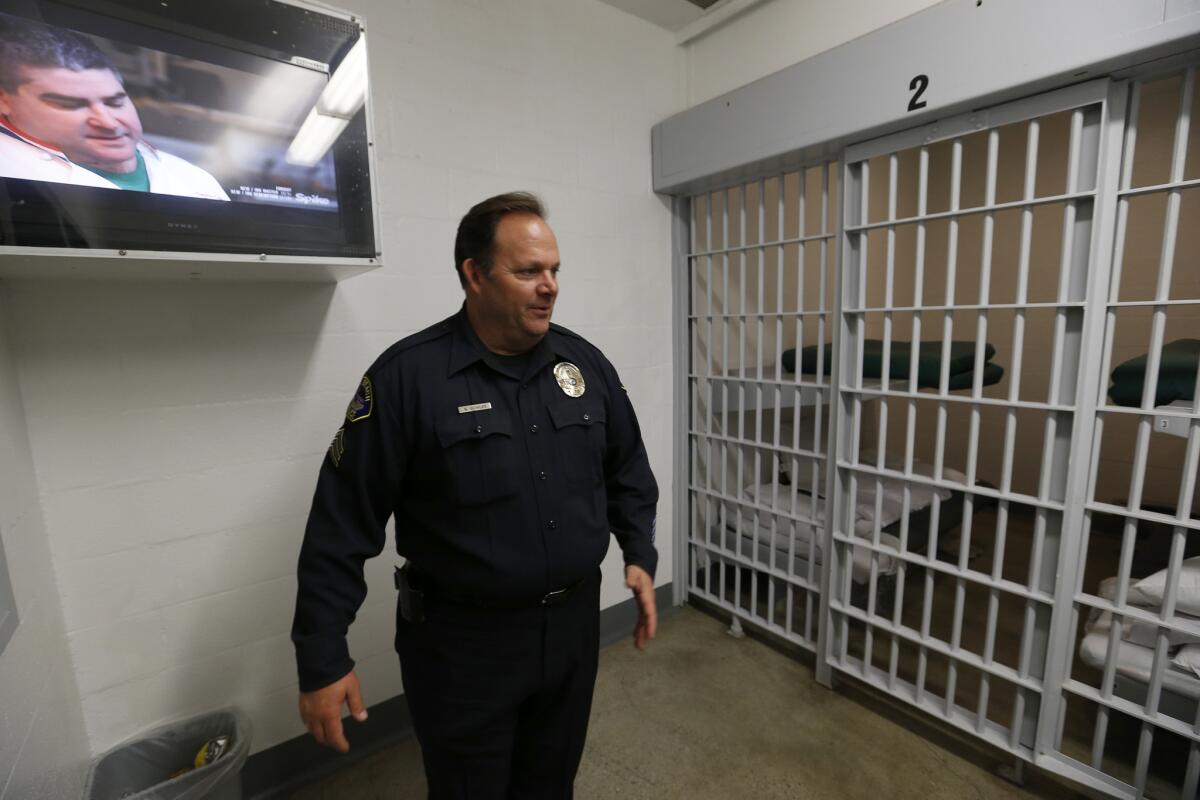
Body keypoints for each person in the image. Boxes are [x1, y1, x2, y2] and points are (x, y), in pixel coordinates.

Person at [291, 192, 659, 797]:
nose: (549, 287)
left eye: (554, 271)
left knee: (549, 784)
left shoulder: (585, 366)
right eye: (527, 272)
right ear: (474, 275)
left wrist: (639, 555)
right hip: (462, 648)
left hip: (570, 631)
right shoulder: (408, 379)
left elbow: (628, 472)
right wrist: (323, 656)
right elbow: (340, 523)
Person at [0, 13, 229, 201]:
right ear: (4, 101)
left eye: (115, 102)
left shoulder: (195, 180)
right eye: (70, 105)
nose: (108, 123)